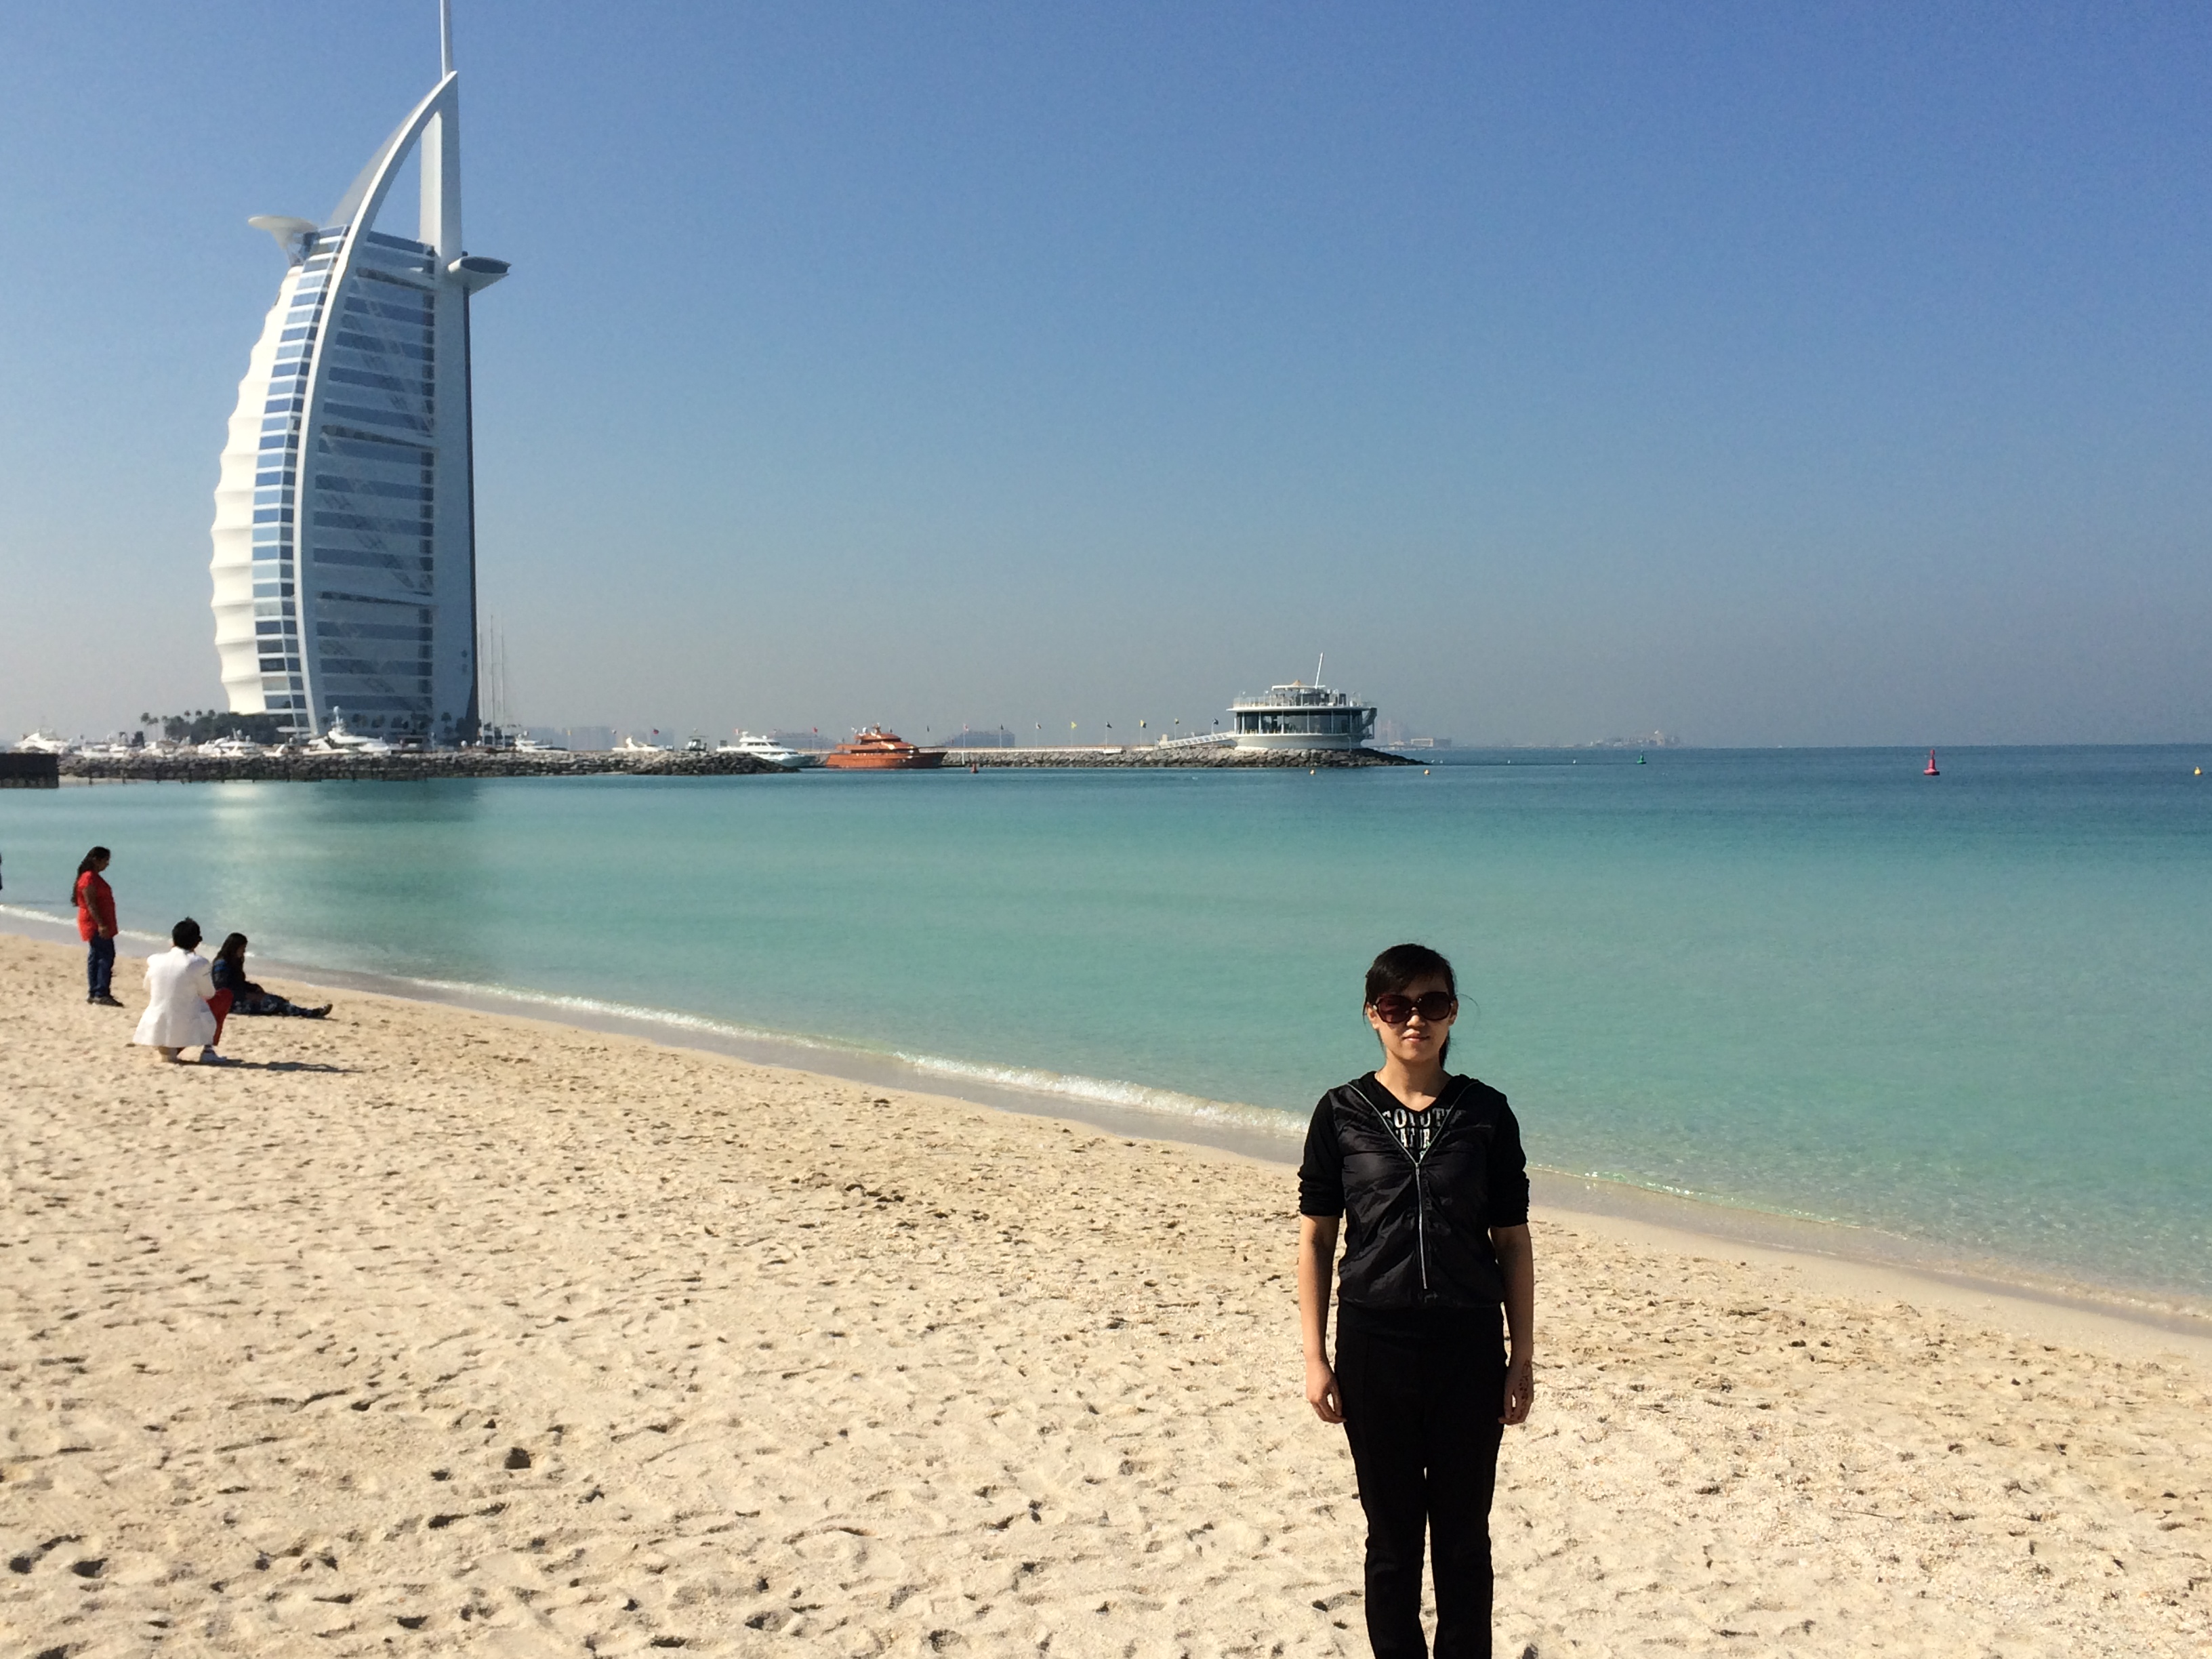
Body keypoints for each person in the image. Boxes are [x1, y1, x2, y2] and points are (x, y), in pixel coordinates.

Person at [1298, 943, 1536, 1659]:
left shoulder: (1486, 1112)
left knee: (1464, 1538)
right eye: (1397, 1006)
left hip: (1468, 1345)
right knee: (1392, 1538)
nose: (1415, 1020)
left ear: (1452, 1013)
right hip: (1375, 1346)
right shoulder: (1340, 1113)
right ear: (1372, 1015)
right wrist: (1314, 1357)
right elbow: (1317, 1238)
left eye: (1432, 1004)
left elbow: (1513, 1242)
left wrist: (1521, 1355)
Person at [133, 918, 227, 1065]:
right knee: (224, 997)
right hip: (183, 1025)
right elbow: (209, 993)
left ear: (173, 940)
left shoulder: (155, 960)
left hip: (154, 1023)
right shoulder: (199, 963)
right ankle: (208, 1050)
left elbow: (147, 987)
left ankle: (168, 1051)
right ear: (197, 942)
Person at [209, 933, 330, 1037]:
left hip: (238, 999)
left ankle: (305, 1011)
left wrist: (254, 988)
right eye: (242, 948)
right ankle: (309, 1013)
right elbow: (222, 989)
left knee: (277, 1000)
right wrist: (248, 996)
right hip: (231, 1004)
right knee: (276, 1004)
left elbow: (238, 983)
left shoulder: (233, 962)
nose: (244, 951)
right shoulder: (222, 965)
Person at [73, 846, 121, 1006]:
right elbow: (91, 904)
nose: (107, 864)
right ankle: (100, 992)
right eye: (105, 861)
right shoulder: (89, 878)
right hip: (94, 924)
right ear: (96, 860)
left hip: (98, 922)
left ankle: (95, 992)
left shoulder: (93, 877)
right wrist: (101, 924)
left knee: (97, 955)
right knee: (105, 956)